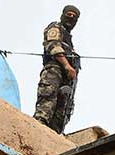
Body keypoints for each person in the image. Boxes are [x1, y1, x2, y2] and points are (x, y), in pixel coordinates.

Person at [34, 5, 80, 134]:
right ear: (62, 15)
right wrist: (67, 66)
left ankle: (53, 135)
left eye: (74, 17)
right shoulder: (55, 27)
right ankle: (37, 128)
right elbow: (53, 46)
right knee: (47, 101)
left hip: (67, 82)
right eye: (68, 14)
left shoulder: (70, 42)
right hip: (54, 71)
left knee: (62, 111)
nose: (71, 18)